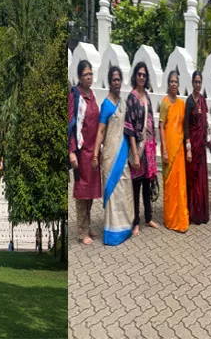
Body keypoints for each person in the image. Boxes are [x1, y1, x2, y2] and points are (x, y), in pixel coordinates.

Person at [92, 66, 134, 245]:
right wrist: (95, 155)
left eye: (119, 80)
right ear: (109, 82)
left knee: (124, 191)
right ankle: (112, 233)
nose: (117, 83)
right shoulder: (107, 105)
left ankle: (125, 228)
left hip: (123, 155)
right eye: (114, 80)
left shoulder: (123, 103)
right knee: (112, 193)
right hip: (110, 155)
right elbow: (101, 131)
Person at [68, 60, 101, 245]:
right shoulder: (76, 95)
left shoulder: (92, 95)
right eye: (86, 74)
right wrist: (71, 152)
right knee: (81, 194)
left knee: (90, 193)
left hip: (92, 152)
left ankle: (87, 226)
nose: (89, 77)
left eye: (91, 74)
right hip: (80, 152)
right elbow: (71, 124)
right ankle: (81, 232)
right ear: (80, 77)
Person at [125, 62, 160, 236]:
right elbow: (130, 128)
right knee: (136, 186)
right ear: (135, 76)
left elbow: (151, 122)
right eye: (139, 74)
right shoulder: (131, 98)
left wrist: (152, 149)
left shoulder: (146, 96)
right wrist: (136, 155)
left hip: (148, 149)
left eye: (144, 75)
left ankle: (148, 218)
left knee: (147, 184)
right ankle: (135, 222)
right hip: (137, 149)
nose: (141, 77)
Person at [158, 70, 189, 232]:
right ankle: (170, 219)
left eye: (176, 82)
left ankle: (180, 216)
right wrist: (163, 150)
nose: (173, 84)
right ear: (168, 84)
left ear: (178, 84)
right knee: (170, 185)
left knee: (180, 184)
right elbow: (161, 127)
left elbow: (185, 126)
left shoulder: (182, 104)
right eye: (171, 82)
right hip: (169, 149)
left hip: (180, 149)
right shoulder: (165, 103)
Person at [184, 71, 211, 225]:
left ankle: (201, 212)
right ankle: (192, 212)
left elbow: (205, 122)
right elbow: (186, 127)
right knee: (192, 179)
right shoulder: (189, 102)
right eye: (195, 82)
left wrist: (208, 138)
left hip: (201, 146)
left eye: (200, 82)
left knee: (201, 179)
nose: (198, 84)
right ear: (192, 83)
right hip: (192, 146)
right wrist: (188, 147)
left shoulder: (202, 100)